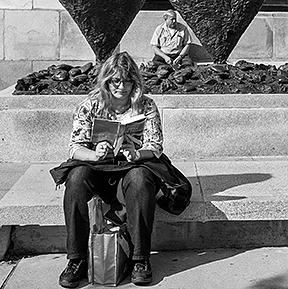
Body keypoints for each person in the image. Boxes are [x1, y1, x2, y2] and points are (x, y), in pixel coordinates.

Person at [51, 51, 191, 288]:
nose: (121, 87)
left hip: (132, 165)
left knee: (140, 179)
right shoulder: (90, 105)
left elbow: (155, 146)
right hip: (98, 165)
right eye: (116, 81)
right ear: (106, 81)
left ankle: (140, 259)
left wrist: (137, 153)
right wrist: (95, 154)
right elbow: (75, 148)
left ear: (135, 82)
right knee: (76, 178)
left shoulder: (146, 105)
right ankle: (77, 259)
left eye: (127, 81)